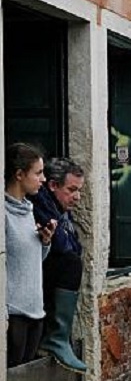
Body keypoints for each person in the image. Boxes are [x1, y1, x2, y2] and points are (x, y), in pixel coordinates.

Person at [30, 158, 87, 373]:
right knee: (71, 263)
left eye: (78, 190)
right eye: (71, 190)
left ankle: (60, 337)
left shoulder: (59, 209)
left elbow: (75, 246)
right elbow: (62, 247)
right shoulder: (41, 205)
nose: (77, 197)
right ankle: (57, 337)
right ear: (53, 185)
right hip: (34, 286)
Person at [5, 143, 56, 368]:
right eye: (38, 173)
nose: (43, 179)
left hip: (36, 311)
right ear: (19, 174)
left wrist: (45, 242)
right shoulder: (3, 213)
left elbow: (32, 260)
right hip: (13, 314)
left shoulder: (28, 209)